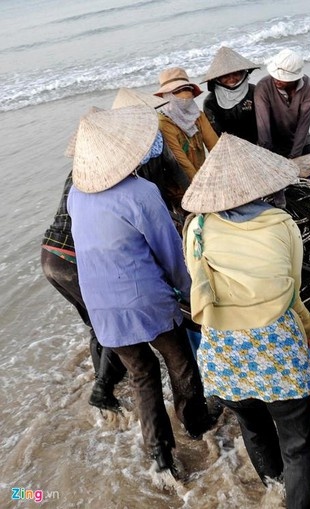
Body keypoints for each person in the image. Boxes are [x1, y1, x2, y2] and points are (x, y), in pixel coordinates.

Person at [181, 134, 310, 508]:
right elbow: (291, 291)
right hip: (276, 350)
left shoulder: (196, 229)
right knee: (298, 444)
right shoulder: (281, 224)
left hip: (223, 354)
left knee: (253, 425)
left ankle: (274, 488)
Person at [67, 105, 219, 473]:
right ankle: (195, 424)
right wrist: (191, 292)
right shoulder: (141, 191)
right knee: (181, 365)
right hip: (146, 304)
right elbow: (169, 252)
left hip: (102, 310)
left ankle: (160, 456)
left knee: (142, 375)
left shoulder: (76, 194)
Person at [41, 170, 127, 412]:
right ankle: (102, 388)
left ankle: (107, 377)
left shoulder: (76, 171)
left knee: (96, 323)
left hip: (50, 253)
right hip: (72, 258)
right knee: (111, 319)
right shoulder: (104, 175)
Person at [112, 87, 191, 224]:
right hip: (137, 209)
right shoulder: (119, 150)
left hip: (161, 196)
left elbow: (175, 168)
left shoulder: (157, 138)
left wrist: (192, 194)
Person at [154, 67, 219, 180]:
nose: (184, 95)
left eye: (187, 89)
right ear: (167, 95)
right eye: (177, 91)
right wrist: (199, 185)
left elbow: (216, 147)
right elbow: (181, 161)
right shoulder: (164, 123)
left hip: (203, 174)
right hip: (179, 185)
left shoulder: (198, 116)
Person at [254, 48, 310, 158]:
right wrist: (267, 158)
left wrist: (294, 157)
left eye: (282, 78)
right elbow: (263, 127)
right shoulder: (263, 87)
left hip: (301, 142)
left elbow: (303, 125)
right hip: (274, 145)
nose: (276, 79)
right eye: (275, 75)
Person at [201, 46, 260, 143]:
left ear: (243, 74)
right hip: (229, 146)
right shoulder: (210, 102)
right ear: (217, 78)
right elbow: (216, 132)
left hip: (257, 142)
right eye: (225, 76)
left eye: (236, 74)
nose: (231, 79)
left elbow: (264, 121)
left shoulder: (254, 91)